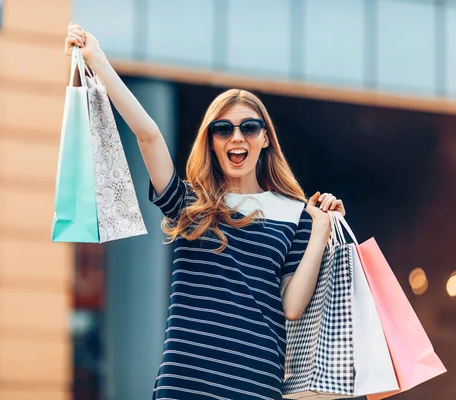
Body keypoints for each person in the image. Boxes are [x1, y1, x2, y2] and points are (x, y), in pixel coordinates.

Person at [65, 23, 346, 400]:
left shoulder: (293, 215)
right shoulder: (190, 204)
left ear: (265, 138)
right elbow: (147, 135)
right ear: (211, 141)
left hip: (253, 387)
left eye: (249, 127)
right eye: (223, 129)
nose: (236, 137)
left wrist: (321, 230)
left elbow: (292, 306)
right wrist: (97, 59)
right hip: (184, 385)